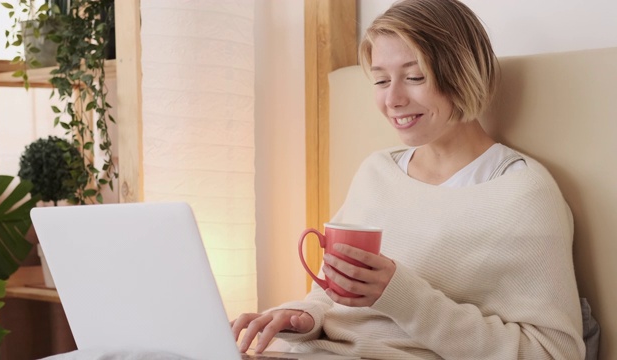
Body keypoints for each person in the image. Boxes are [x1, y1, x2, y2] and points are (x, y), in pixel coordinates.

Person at [231, 0, 585, 358]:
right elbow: (329, 292)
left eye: (415, 77)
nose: (393, 99)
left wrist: (403, 295)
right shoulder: (376, 171)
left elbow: (553, 352)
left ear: (463, 74)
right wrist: (304, 316)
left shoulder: (520, 193)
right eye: (382, 80)